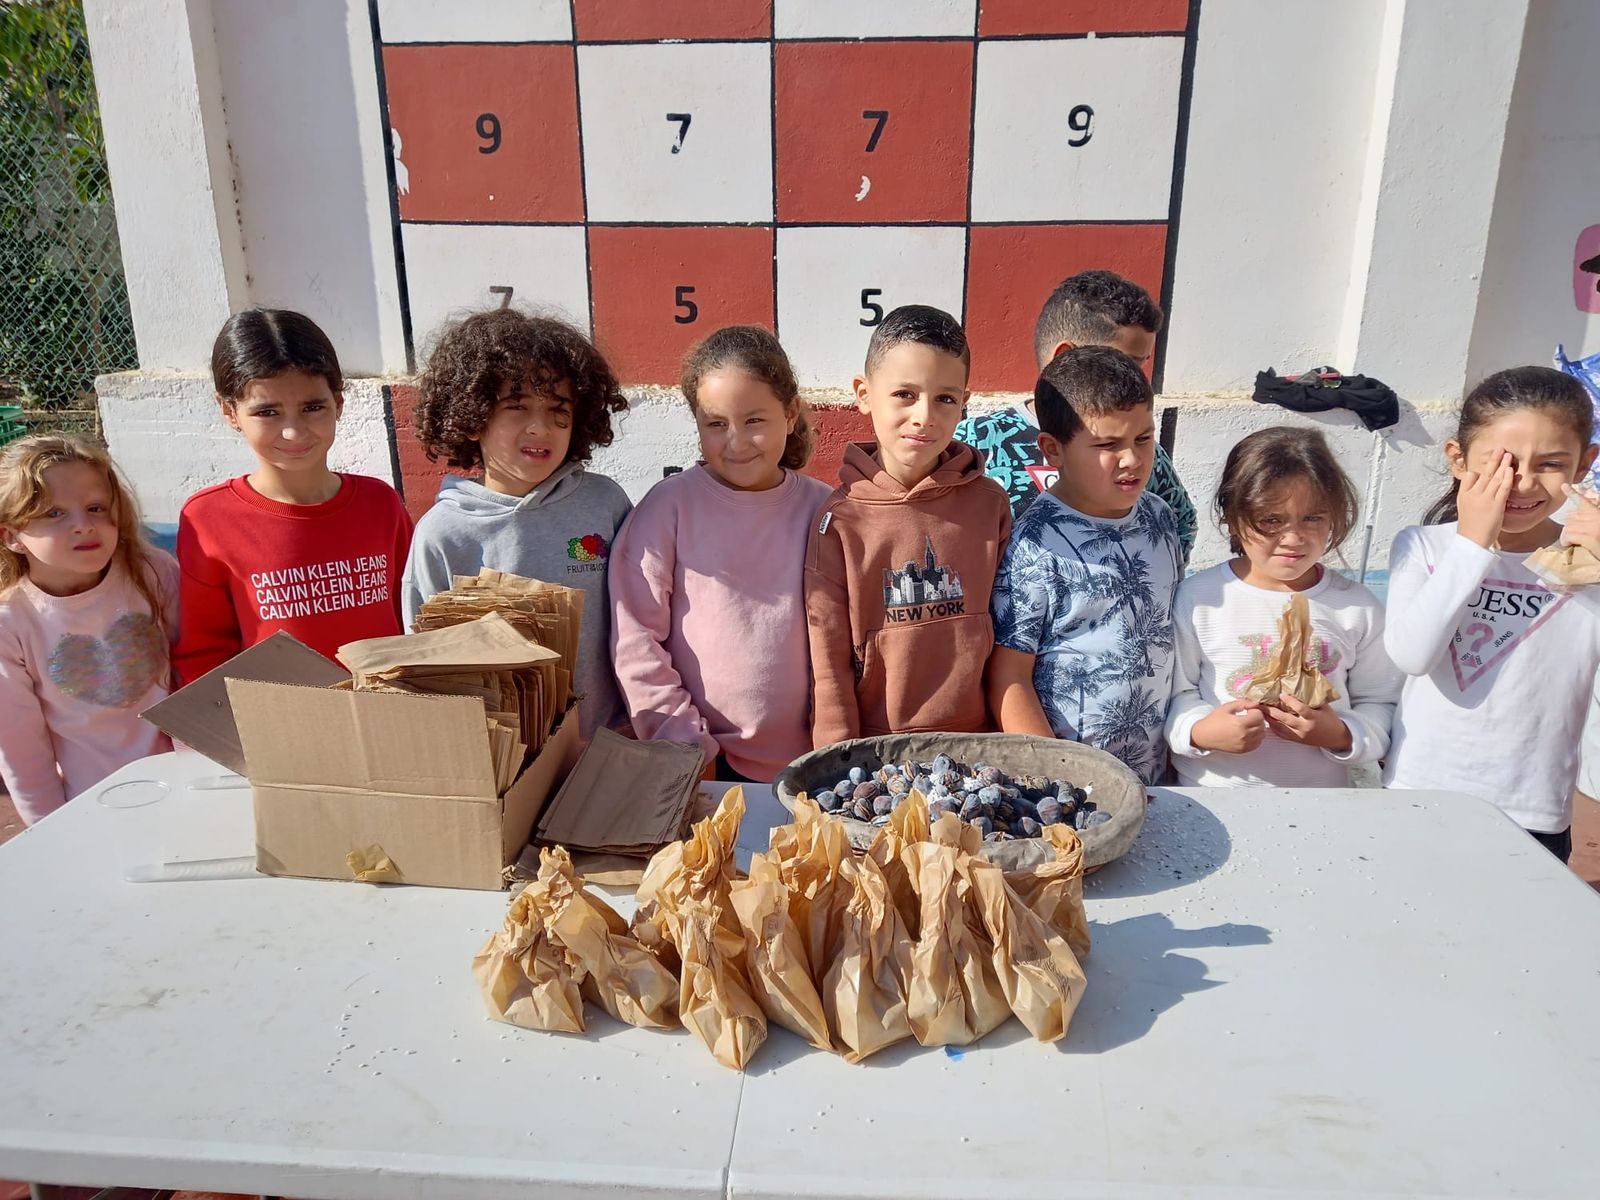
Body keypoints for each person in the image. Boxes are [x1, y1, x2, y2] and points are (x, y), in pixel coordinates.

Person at [1384, 366, 1600, 861]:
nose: (1521, 483)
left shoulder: (1588, 560)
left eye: (1550, 463)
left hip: (1531, 812)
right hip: (1418, 794)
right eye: (1502, 463)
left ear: (1584, 465)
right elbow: (1412, 655)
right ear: (1458, 460)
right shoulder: (1423, 547)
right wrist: (1472, 544)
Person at [610, 327, 830, 781]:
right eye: (716, 424)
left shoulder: (825, 509)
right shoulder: (668, 508)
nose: (735, 441)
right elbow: (635, 639)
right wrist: (688, 748)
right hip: (706, 765)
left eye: (754, 421)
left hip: (815, 767)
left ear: (790, 414)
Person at [403, 308, 630, 737]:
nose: (540, 427)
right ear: (472, 417)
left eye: (557, 408)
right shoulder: (442, 534)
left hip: (609, 741)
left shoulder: (605, 503)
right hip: (506, 762)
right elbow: (425, 665)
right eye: (517, 407)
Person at [806, 305, 1011, 746]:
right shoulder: (838, 520)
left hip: (979, 744)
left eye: (944, 398)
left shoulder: (990, 504)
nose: (924, 416)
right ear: (864, 394)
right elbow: (829, 666)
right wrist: (835, 763)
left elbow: (1009, 640)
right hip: (877, 753)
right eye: (904, 394)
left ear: (964, 404)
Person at [173, 309, 412, 681]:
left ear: (339, 401)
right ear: (229, 412)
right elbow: (204, 653)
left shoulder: (380, 503)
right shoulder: (207, 519)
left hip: (387, 719)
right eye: (267, 411)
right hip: (278, 730)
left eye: (312, 407)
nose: (293, 433)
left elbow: (411, 618)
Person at [987, 345, 1183, 784]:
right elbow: (1008, 677)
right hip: (1076, 786)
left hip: (1157, 775)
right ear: (1052, 449)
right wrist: (1056, 780)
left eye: (1143, 438)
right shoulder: (1035, 546)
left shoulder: (1160, 518)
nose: (1132, 459)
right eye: (1107, 444)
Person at [1165, 427, 1400, 786]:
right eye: (1271, 520)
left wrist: (1339, 733)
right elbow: (1177, 693)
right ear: (1232, 515)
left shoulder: (1357, 608)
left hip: (1319, 806)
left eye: (1313, 517)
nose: (1292, 538)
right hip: (1212, 801)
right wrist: (1200, 730)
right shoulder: (1200, 599)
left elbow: (1381, 704)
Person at [955, 269, 1199, 562]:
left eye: (1142, 365)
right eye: (1125, 363)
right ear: (1064, 357)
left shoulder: (1143, 452)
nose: (1138, 380)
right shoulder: (975, 443)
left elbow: (1180, 525)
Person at [0, 435, 181, 824]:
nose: (84, 525)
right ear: (11, 535)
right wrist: (52, 831)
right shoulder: (10, 623)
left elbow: (194, 671)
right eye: (54, 513)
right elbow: (20, 748)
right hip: (94, 808)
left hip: (185, 781)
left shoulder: (151, 571)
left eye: (96, 508)